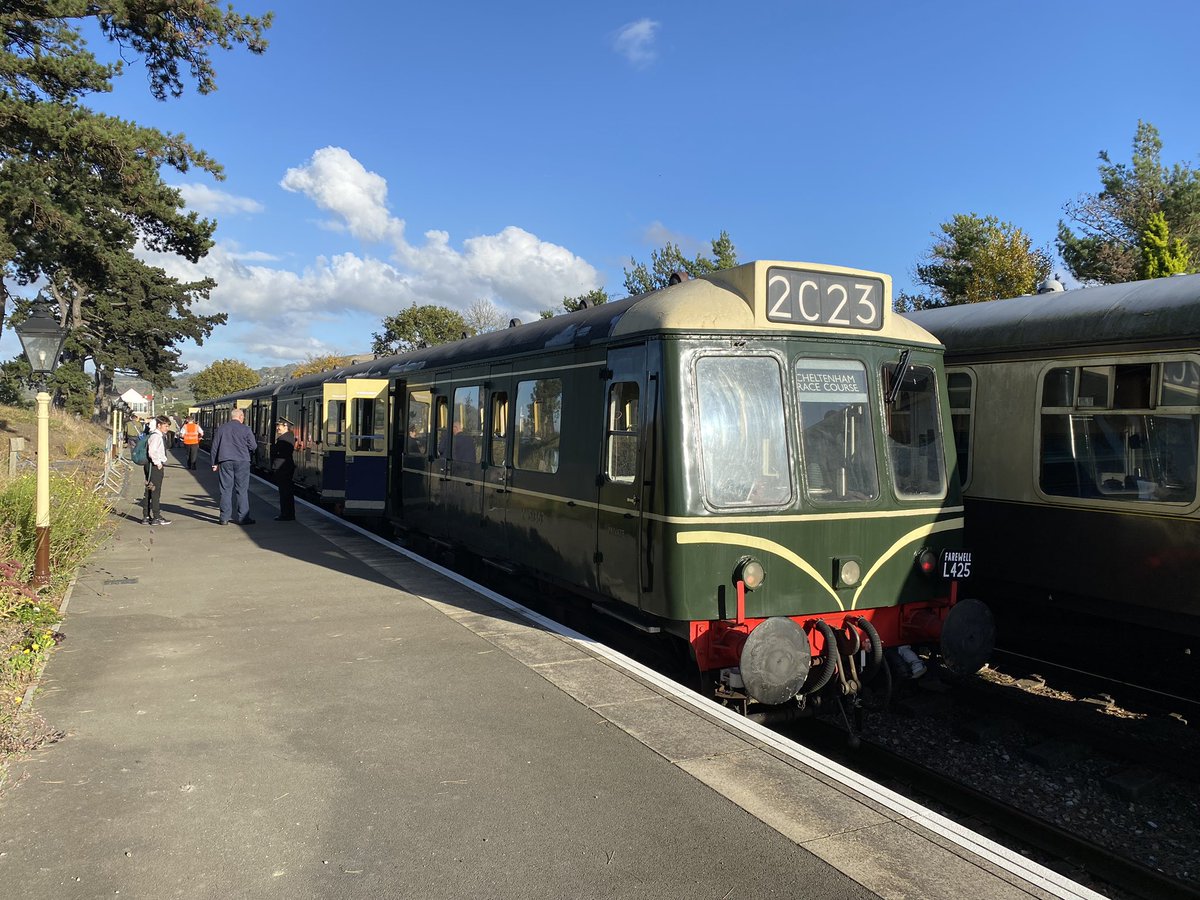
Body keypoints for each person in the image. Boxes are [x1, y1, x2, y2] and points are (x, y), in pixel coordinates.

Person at [211, 408, 257, 525]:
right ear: (241, 417)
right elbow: (253, 446)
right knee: (242, 490)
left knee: (225, 489)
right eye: (243, 417)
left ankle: (224, 518)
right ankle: (243, 517)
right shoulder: (246, 429)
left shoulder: (222, 428)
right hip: (242, 461)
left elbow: (215, 447)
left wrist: (214, 463)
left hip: (225, 461)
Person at [141, 415, 173, 526]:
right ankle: (156, 517)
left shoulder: (153, 435)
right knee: (155, 491)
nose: (167, 428)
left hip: (150, 466)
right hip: (154, 467)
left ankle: (146, 516)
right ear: (159, 425)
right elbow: (152, 451)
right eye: (166, 426)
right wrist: (158, 463)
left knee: (149, 490)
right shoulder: (157, 437)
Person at [270, 418, 297, 521]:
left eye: (279, 426)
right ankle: (288, 513)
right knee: (286, 491)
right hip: (285, 467)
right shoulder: (287, 437)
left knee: (284, 492)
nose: (277, 428)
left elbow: (276, 451)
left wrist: (274, 449)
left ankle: (285, 514)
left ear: (285, 426)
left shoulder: (285, 439)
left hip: (283, 468)